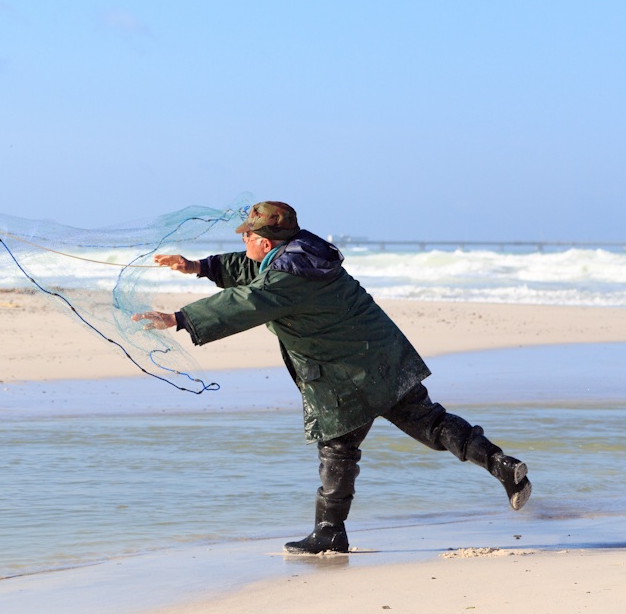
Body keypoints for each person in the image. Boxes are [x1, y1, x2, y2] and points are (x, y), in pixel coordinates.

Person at [132, 201, 531, 555]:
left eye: (249, 236)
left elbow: (249, 301)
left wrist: (179, 318)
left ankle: (329, 531)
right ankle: (501, 464)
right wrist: (198, 267)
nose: (246, 242)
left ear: (266, 242)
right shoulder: (305, 251)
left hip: (346, 374)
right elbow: (253, 269)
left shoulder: (288, 278)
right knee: (433, 422)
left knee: (337, 448)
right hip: (384, 359)